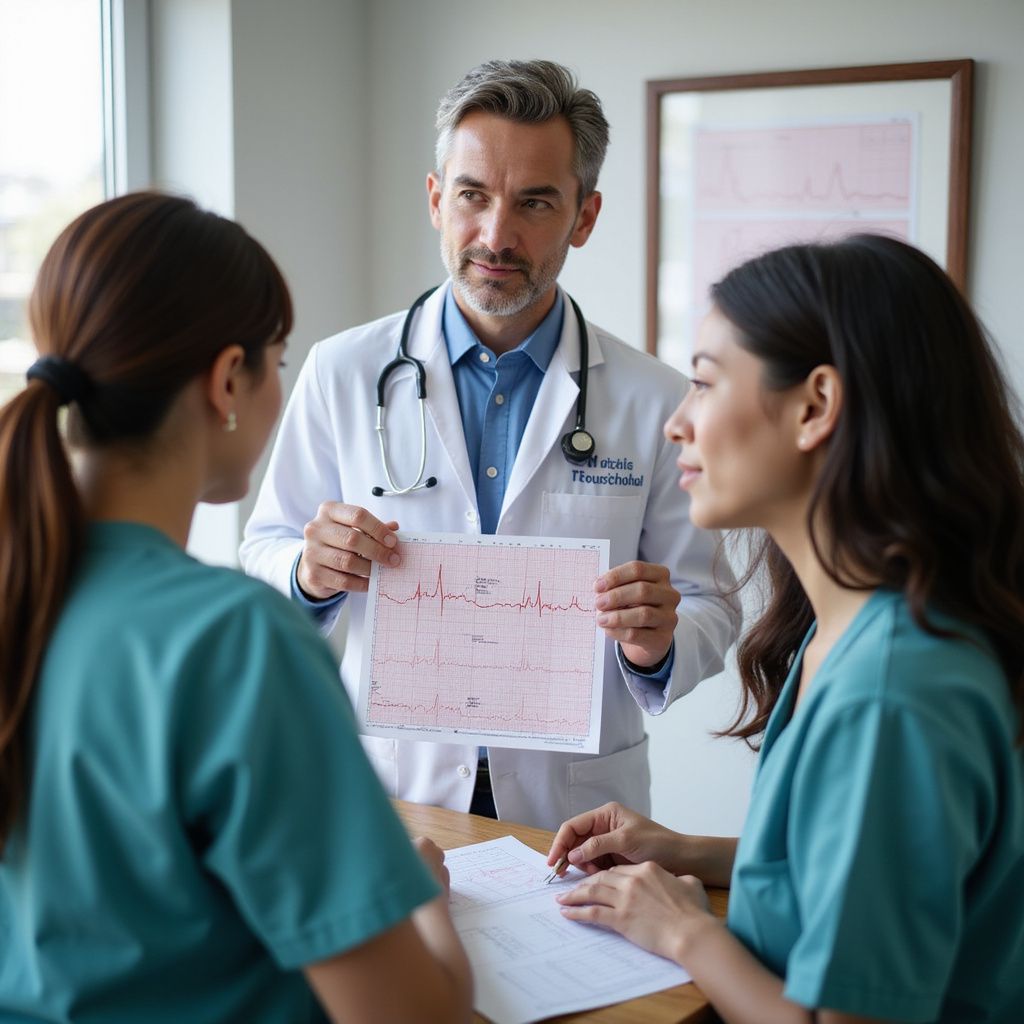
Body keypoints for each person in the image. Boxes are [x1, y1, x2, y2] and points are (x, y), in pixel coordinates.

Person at [0, 192, 472, 1024]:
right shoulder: (234, 643)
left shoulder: (22, 591)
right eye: (277, 360)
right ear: (227, 379)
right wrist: (421, 900)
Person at [240, 59, 739, 830]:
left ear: (585, 217)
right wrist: (308, 571)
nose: (496, 235)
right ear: (437, 200)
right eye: (472, 196)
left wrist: (660, 641)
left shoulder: (658, 397)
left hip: (574, 805)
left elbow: (709, 602)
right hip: (392, 793)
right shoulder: (343, 371)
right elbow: (263, 549)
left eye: (535, 202)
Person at [546, 234, 1024, 1023]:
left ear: (814, 407)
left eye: (702, 384)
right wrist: (682, 851)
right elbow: (854, 879)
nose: (675, 425)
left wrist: (687, 934)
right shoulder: (853, 625)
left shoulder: (893, 692)